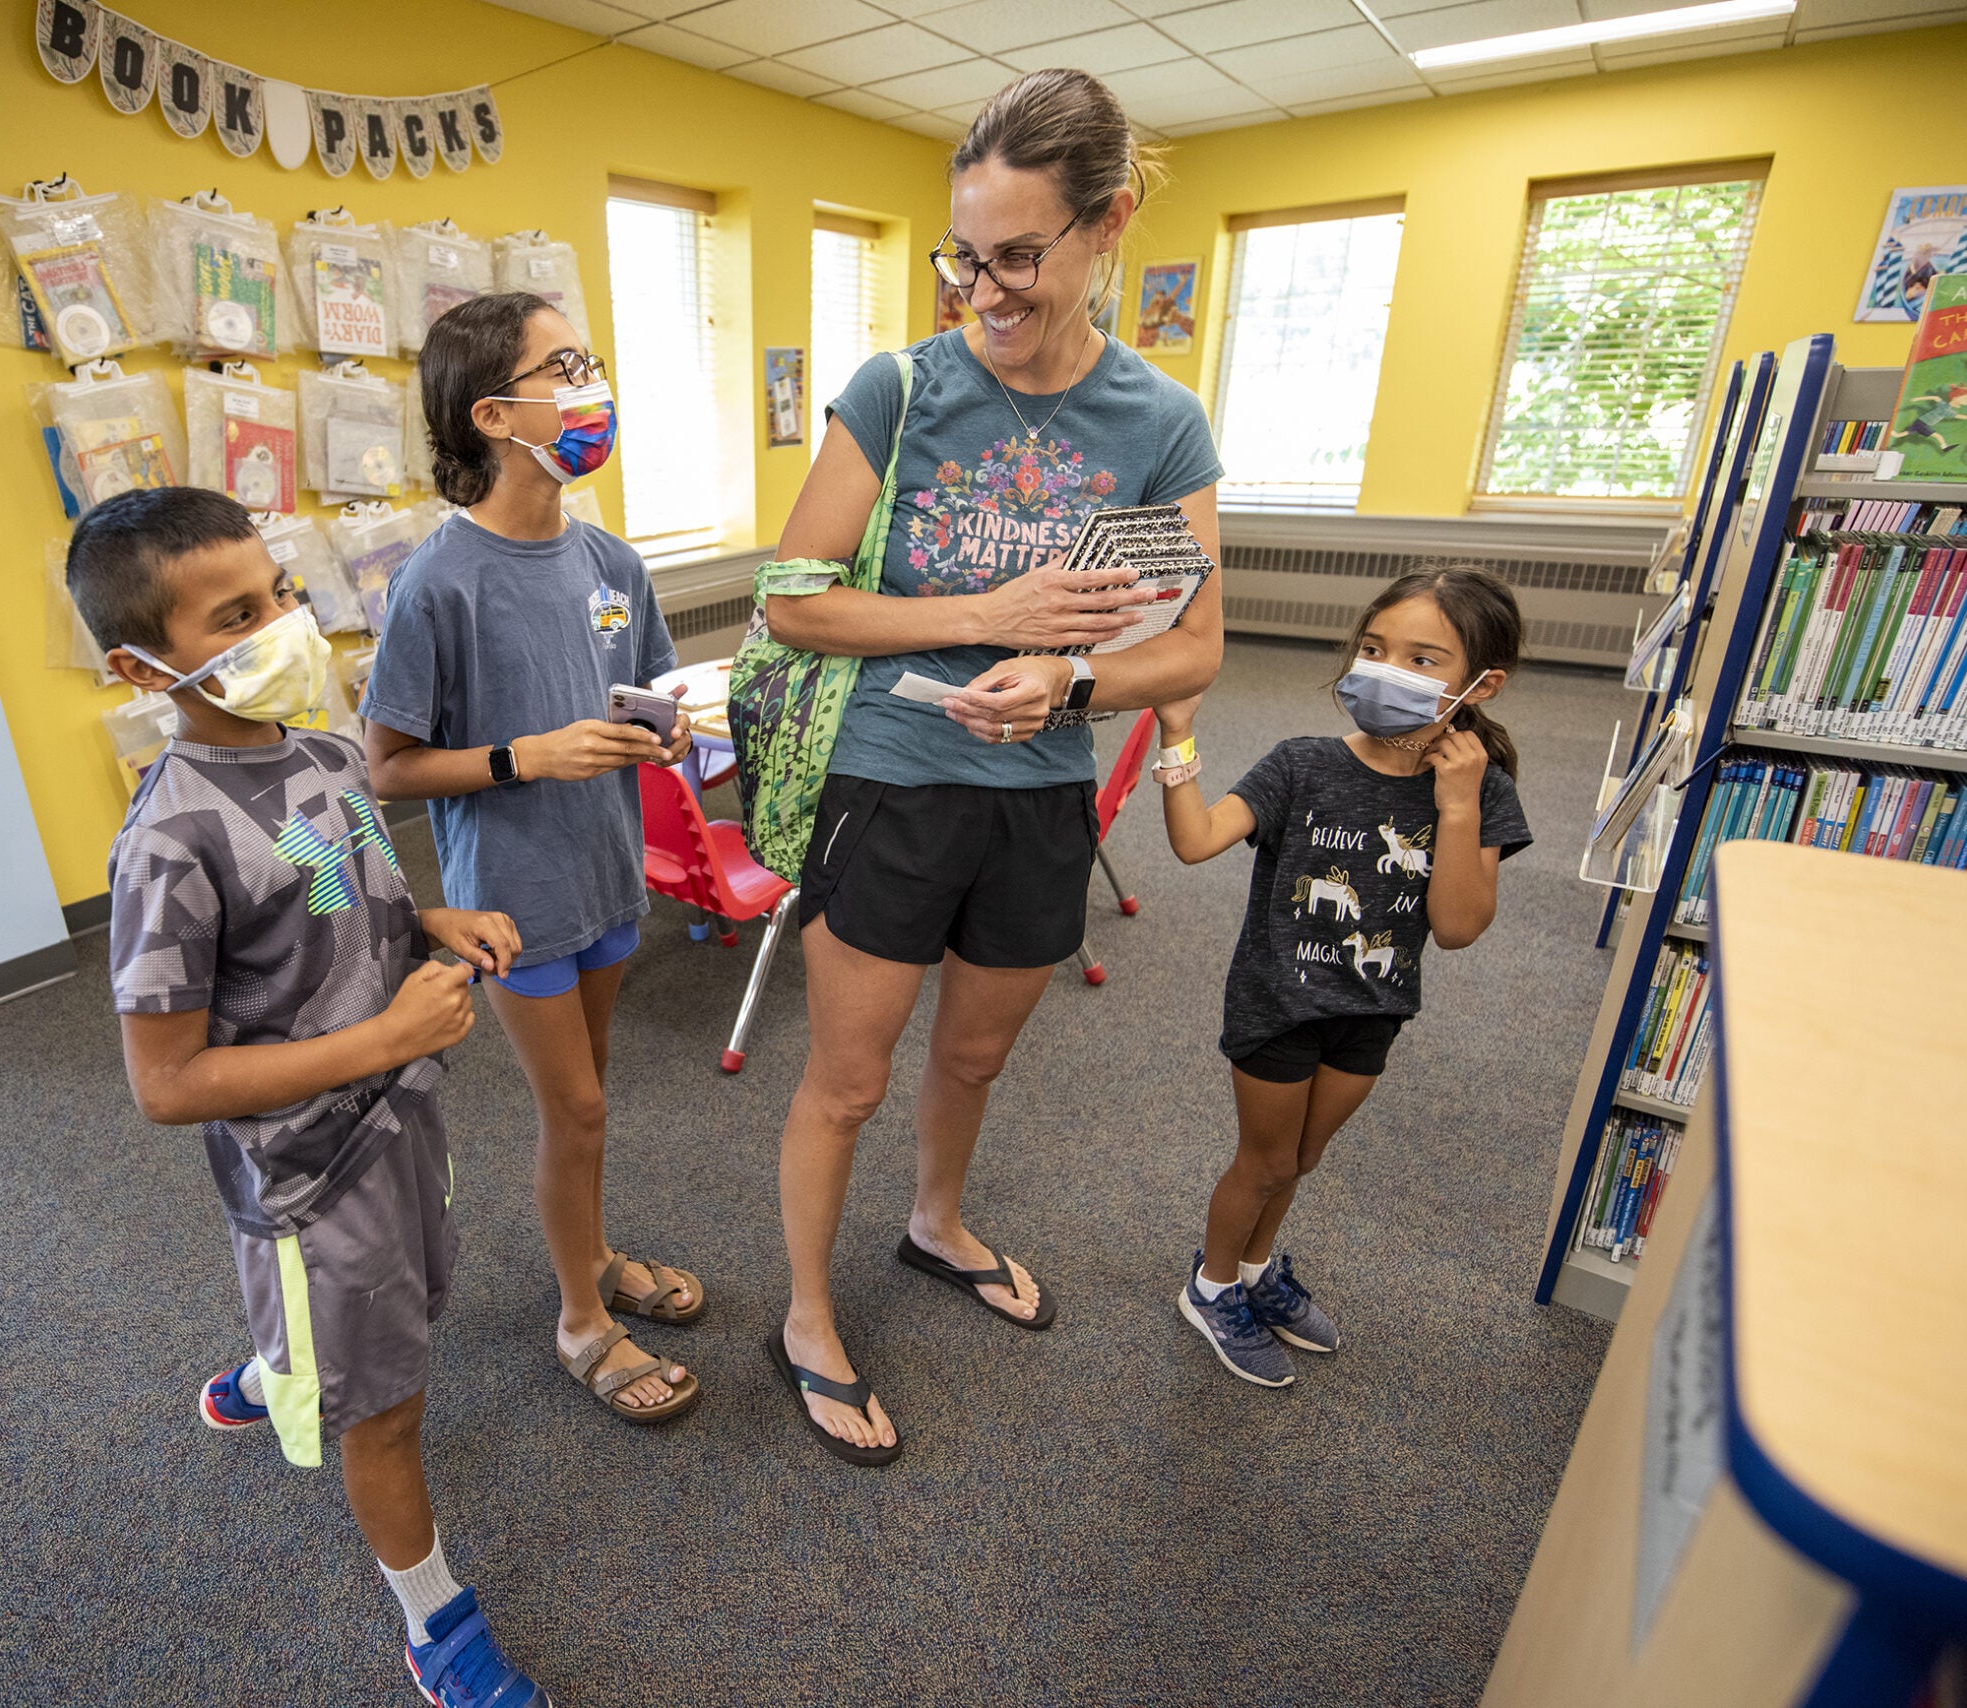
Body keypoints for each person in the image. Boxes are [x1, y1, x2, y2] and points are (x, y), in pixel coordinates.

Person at [761, 68, 1225, 1465]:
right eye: (967, 255)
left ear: (1108, 229)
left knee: (973, 1053)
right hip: (890, 779)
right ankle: (802, 1316)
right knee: (845, 1078)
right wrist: (988, 617)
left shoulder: (1160, 423)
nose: (987, 290)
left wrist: (1073, 675)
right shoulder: (901, 388)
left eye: (1019, 256)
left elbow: (1195, 645)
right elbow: (794, 598)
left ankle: (937, 1224)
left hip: (1042, 799)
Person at [68, 487, 549, 1707]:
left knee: (397, 1304)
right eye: (237, 614)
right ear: (139, 664)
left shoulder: (325, 752)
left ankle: (272, 1366)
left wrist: (429, 918)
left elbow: (340, 901)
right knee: (382, 1407)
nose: (286, 621)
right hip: (301, 1175)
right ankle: (435, 1624)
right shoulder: (168, 843)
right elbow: (166, 1084)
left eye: (277, 590)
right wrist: (380, 1034)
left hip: (397, 1121)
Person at [362, 293, 705, 1426]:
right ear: (495, 412)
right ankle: (579, 1316)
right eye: (567, 365)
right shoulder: (438, 581)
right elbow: (389, 769)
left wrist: (670, 725)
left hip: (609, 874)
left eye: (590, 357)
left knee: (589, 1100)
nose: (592, 383)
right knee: (581, 1110)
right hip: (512, 899)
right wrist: (527, 756)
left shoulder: (610, 557)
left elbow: (651, 692)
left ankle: (596, 1251)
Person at [1152, 565, 1532, 1388]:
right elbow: (1195, 841)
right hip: (1278, 1003)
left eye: (1423, 660)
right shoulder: (1303, 764)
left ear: (1481, 684)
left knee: (1301, 1160)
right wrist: (1176, 736)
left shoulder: (1480, 790)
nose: (1386, 669)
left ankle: (1256, 1272)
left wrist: (1459, 805)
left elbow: (1460, 927)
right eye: (1373, 647)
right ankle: (1212, 1285)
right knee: (1262, 1162)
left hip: (1372, 1008)